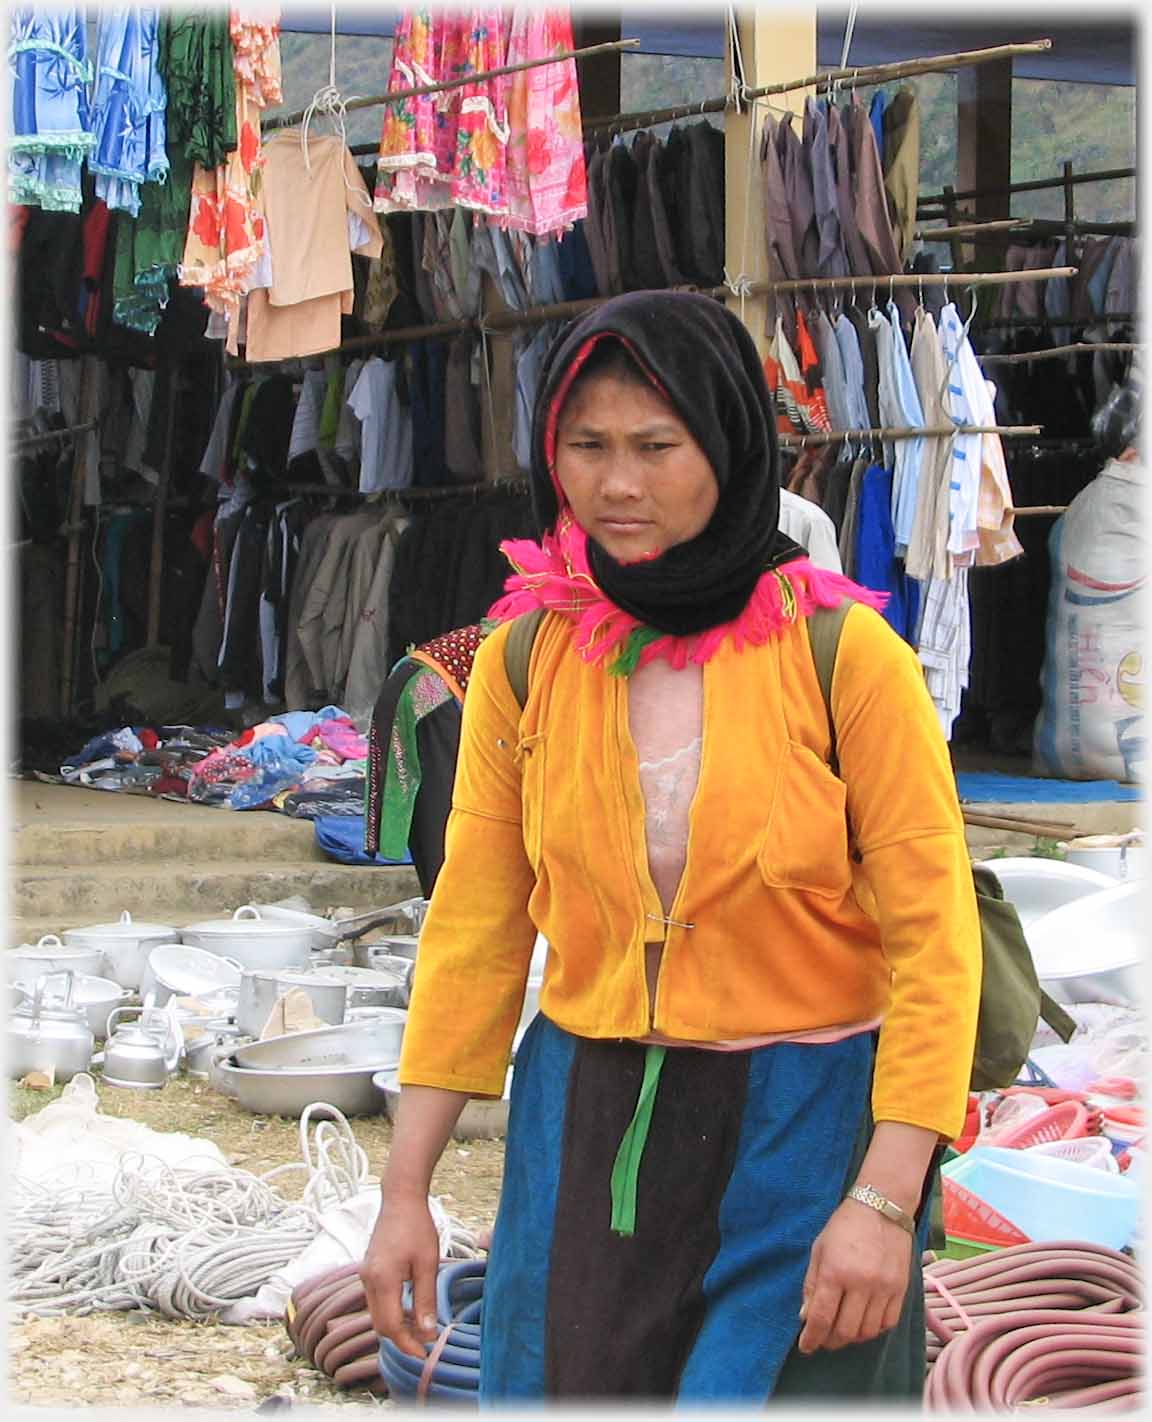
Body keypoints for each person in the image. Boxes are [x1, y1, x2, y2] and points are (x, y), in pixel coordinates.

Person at [360, 291, 981, 1403]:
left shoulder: (849, 661)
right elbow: (475, 933)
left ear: (732, 444)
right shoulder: (523, 662)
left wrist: (885, 1201)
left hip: (806, 1114)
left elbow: (939, 949)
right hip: (584, 1120)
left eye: (658, 446)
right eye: (585, 447)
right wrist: (405, 1188)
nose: (616, 484)